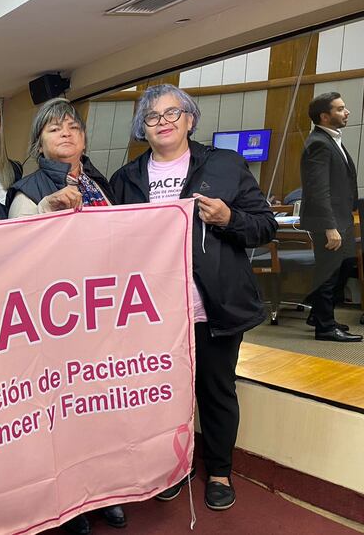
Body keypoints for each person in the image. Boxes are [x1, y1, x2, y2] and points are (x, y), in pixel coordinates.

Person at [109, 84, 277, 511]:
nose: (163, 122)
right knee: (162, 395)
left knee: (215, 391)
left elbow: (263, 225)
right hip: (153, 314)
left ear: (190, 119)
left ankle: (218, 471)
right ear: (142, 129)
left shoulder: (224, 164)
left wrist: (228, 218)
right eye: (152, 117)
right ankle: (172, 467)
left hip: (213, 307)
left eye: (172, 113)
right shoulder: (126, 178)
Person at [7, 98, 125, 534]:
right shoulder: (28, 190)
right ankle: (70, 504)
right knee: (63, 419)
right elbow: (16, 256)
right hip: (58, 325)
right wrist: (45, 211)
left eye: (73, 126)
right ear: (39, 141)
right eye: (54, 128)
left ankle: (105, 490)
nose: (67, 133)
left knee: (102, 410)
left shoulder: (99, 183)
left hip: (103, 316)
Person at [299, 92, 362, 342]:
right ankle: (324, 328)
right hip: (329, 222)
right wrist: (329, 227)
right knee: (328, 273)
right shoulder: (318, 143)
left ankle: (320, 315)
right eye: (340, 109)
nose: (347, 112)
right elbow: (318, 189)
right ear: (325, 116)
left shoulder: (331, 139)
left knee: (344, 266)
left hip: (341, 219)